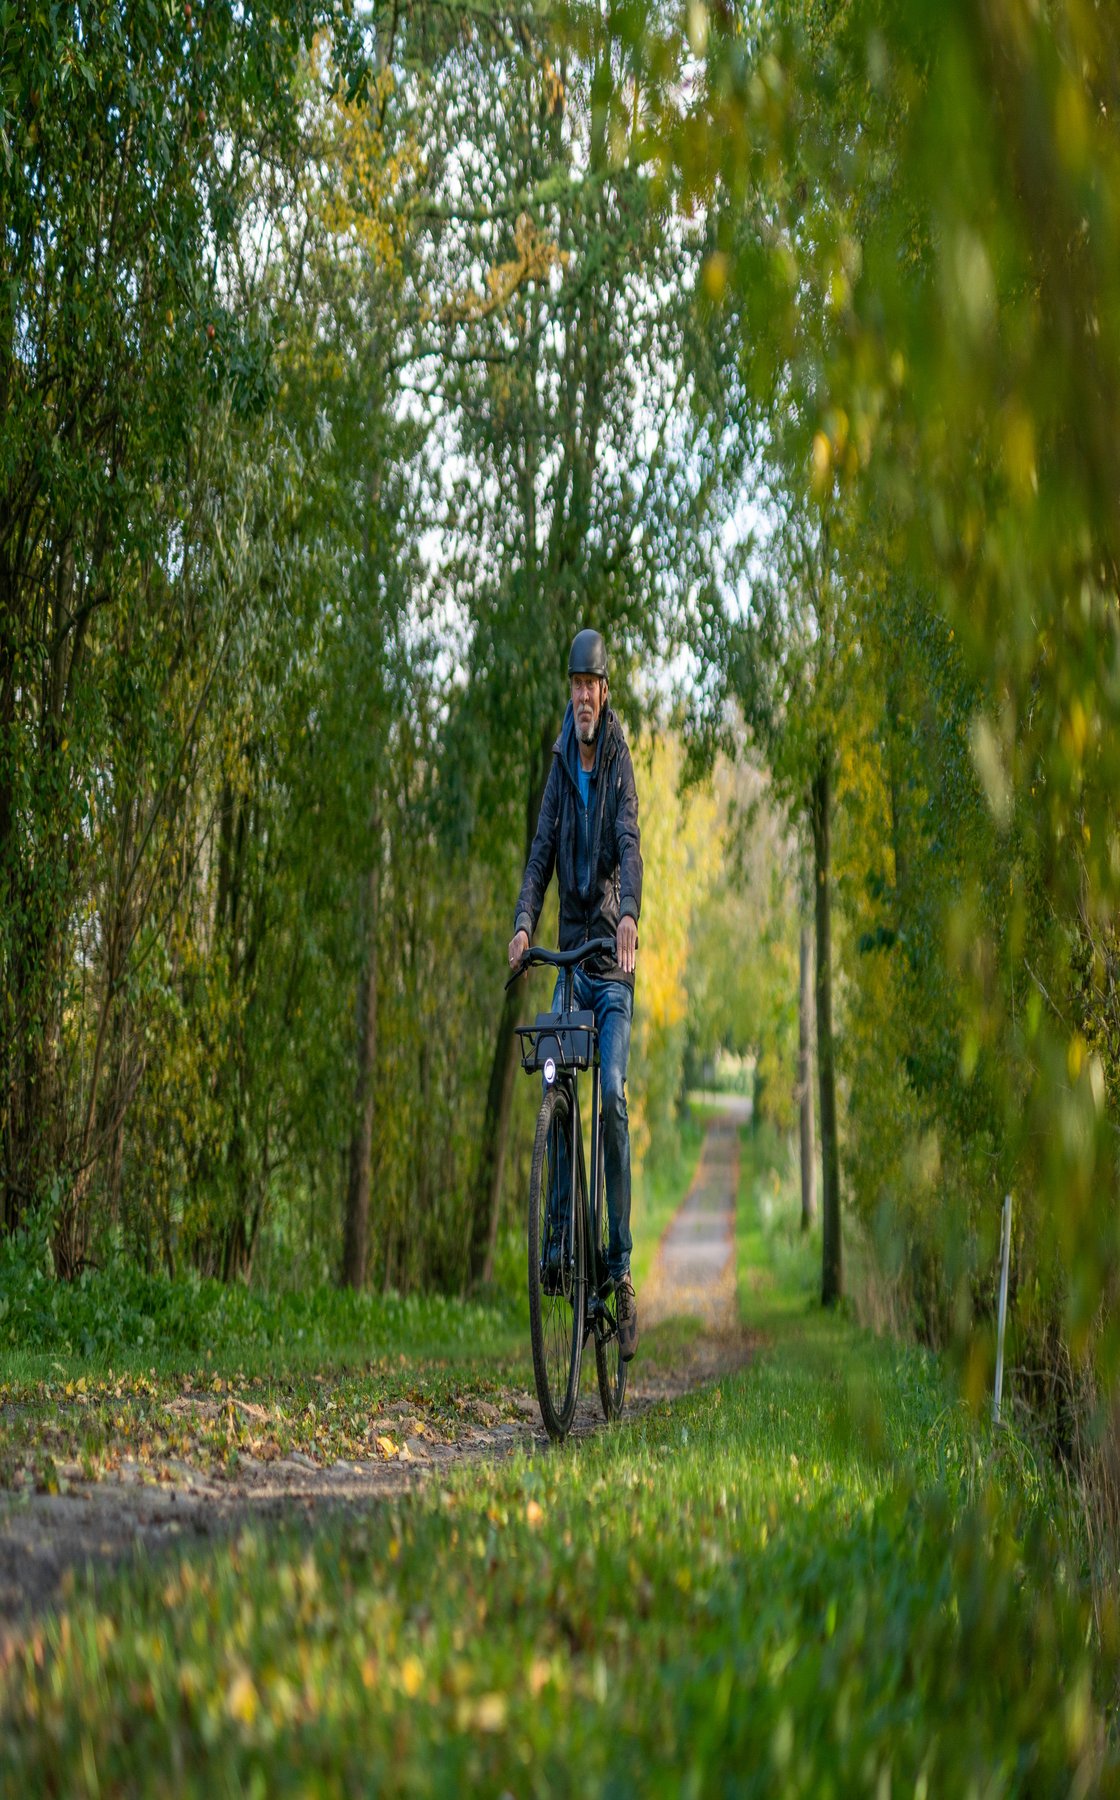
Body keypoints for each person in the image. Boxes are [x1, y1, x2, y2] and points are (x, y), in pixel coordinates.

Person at [508, 629, 643, 1360]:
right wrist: (525, 925)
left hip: (610, 965)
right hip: (567, 957)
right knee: (554, 1085)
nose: (584, 696)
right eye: (575, 685)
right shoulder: (562, 760)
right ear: (569, 691)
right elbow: (539, 852)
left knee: (613, 1095)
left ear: (605, 690)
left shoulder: (618, 759)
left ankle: (617, 1270)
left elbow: (629, 841)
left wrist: (627, 918)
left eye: (593, 685)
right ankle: (559, 1245)